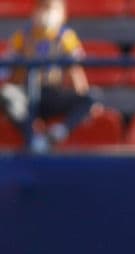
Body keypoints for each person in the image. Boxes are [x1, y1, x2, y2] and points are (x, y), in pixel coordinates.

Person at [0, 0, 99, 153]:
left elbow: (75, 70)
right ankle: (33, 138)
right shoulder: (22, 36)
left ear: (62, 14)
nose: (46, 13)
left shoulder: (66, 37)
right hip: (26, 95)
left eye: (51, 9)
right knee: (6, 94)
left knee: (92, 97)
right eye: (42, 8)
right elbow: (8, 72)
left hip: (52, 94)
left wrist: (84, 95)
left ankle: (57, 133)